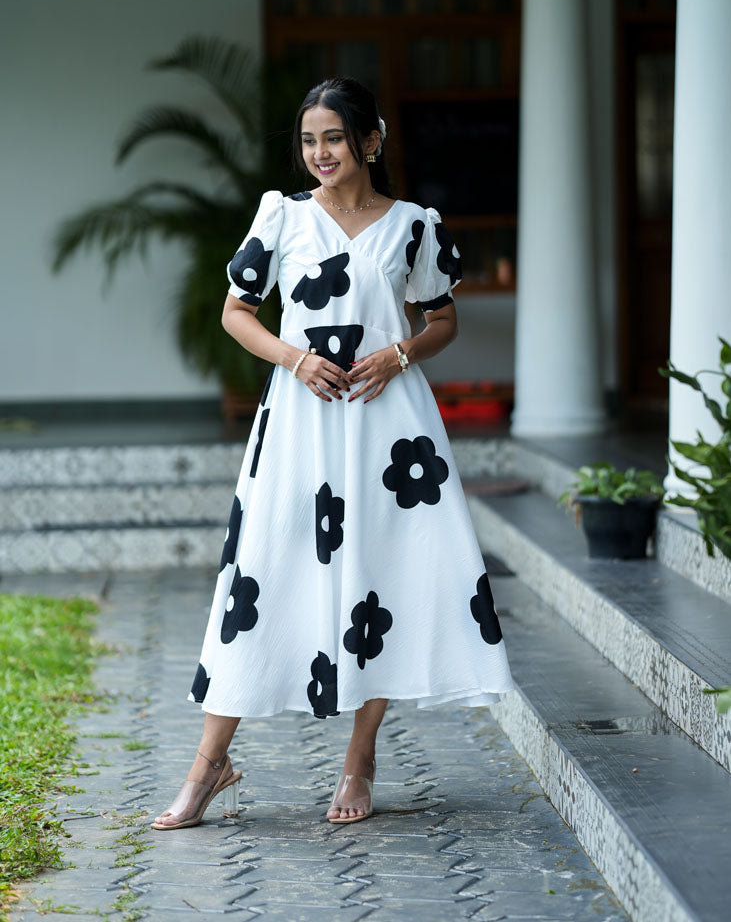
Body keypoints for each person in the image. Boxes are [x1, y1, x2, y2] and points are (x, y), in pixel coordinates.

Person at [152, 76, 514, 830]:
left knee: (380, 577)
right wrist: (293, 358)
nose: (320, 152)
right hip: (301, 420)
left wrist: (400, 355)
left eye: (335, 138)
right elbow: (235, 313)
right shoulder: (281, 218)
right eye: (310, 140)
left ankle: (360, 757)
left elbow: (442, 319)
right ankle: (209, 763)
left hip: (390, 429)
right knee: (261, 575)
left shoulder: (414, 226)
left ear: (369, 143)